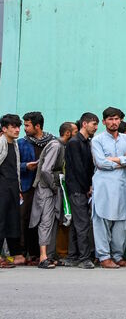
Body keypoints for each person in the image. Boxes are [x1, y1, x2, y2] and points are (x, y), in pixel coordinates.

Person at [91, 107, 126, 268]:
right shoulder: (97, 140)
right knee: (102, 221)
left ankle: (118, 256)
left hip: (122, 187)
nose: (114, 122)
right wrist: (122, 161)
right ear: (104, 122)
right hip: (104, 186)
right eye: (110, 119)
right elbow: (101, 163)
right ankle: (104, 257)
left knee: (122, 224)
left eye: (116, 119)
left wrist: (116, 160)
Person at [29, 122, 76, 268]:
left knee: (54, 220)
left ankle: (50, 255)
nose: (77, 134)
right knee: (46, 221)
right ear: (67, 133)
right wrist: (54, 186)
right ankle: (43, 257)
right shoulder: (56, 146)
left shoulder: (59, 146)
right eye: (75, 131)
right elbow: (45, 169)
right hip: (47, 189)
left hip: (53, 188)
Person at [20, 111, 55, 263]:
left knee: (43, 220)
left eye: (27, 125)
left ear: (37, 126)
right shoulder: (22, 143)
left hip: (45, 186)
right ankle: (23, 252)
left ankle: (39, 253)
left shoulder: (51, 142)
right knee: (25, 218)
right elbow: (14, 164)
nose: (24, 129)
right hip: (28, 187)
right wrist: (25, 166)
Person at [65, 112, 98, 268]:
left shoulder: (86, 142)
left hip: (81, 188)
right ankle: (84, 258)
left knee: (77, 224)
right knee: (83, 223)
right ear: (84, 124)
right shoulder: (75, 142)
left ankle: (72, 256)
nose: (96, 127)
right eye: (94, 124)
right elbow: (78, 169)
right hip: (78, 189)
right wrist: (88, 187)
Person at [0, 114, 25, 268]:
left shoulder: (14, 144)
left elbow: (15, 169)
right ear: (4, 129)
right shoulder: (1, 142)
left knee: (12, 221)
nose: (17, 130)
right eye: (13, 127)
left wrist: (19, 188)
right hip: (2, 187)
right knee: (1, 221)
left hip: (13, 187)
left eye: (18, 127)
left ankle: (14, 255)